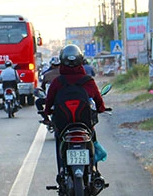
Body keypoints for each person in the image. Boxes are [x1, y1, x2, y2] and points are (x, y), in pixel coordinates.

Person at [43, 44, 106, 185]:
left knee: (60, 142)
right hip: (85, 123)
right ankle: (94, 171)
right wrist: (101, 109)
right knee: (92, 139)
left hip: (63, 124)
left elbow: (49, 101)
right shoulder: (88, 81)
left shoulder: (57, 82)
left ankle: (62, 171)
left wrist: (47, 113)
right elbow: (99, 100)